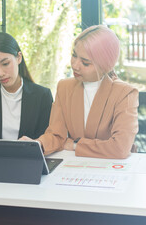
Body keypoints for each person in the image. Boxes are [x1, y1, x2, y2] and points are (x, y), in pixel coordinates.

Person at [20, 25, 139, 159]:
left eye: (85, 63)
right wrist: (38, 144)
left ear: (105, 66)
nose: (75, 65)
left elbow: (119, 148)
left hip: (112, 169)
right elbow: (56, 135)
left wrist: (75, 145)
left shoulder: (125, 93)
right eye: (74, 56)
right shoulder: (64, 87)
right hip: (74, 167)